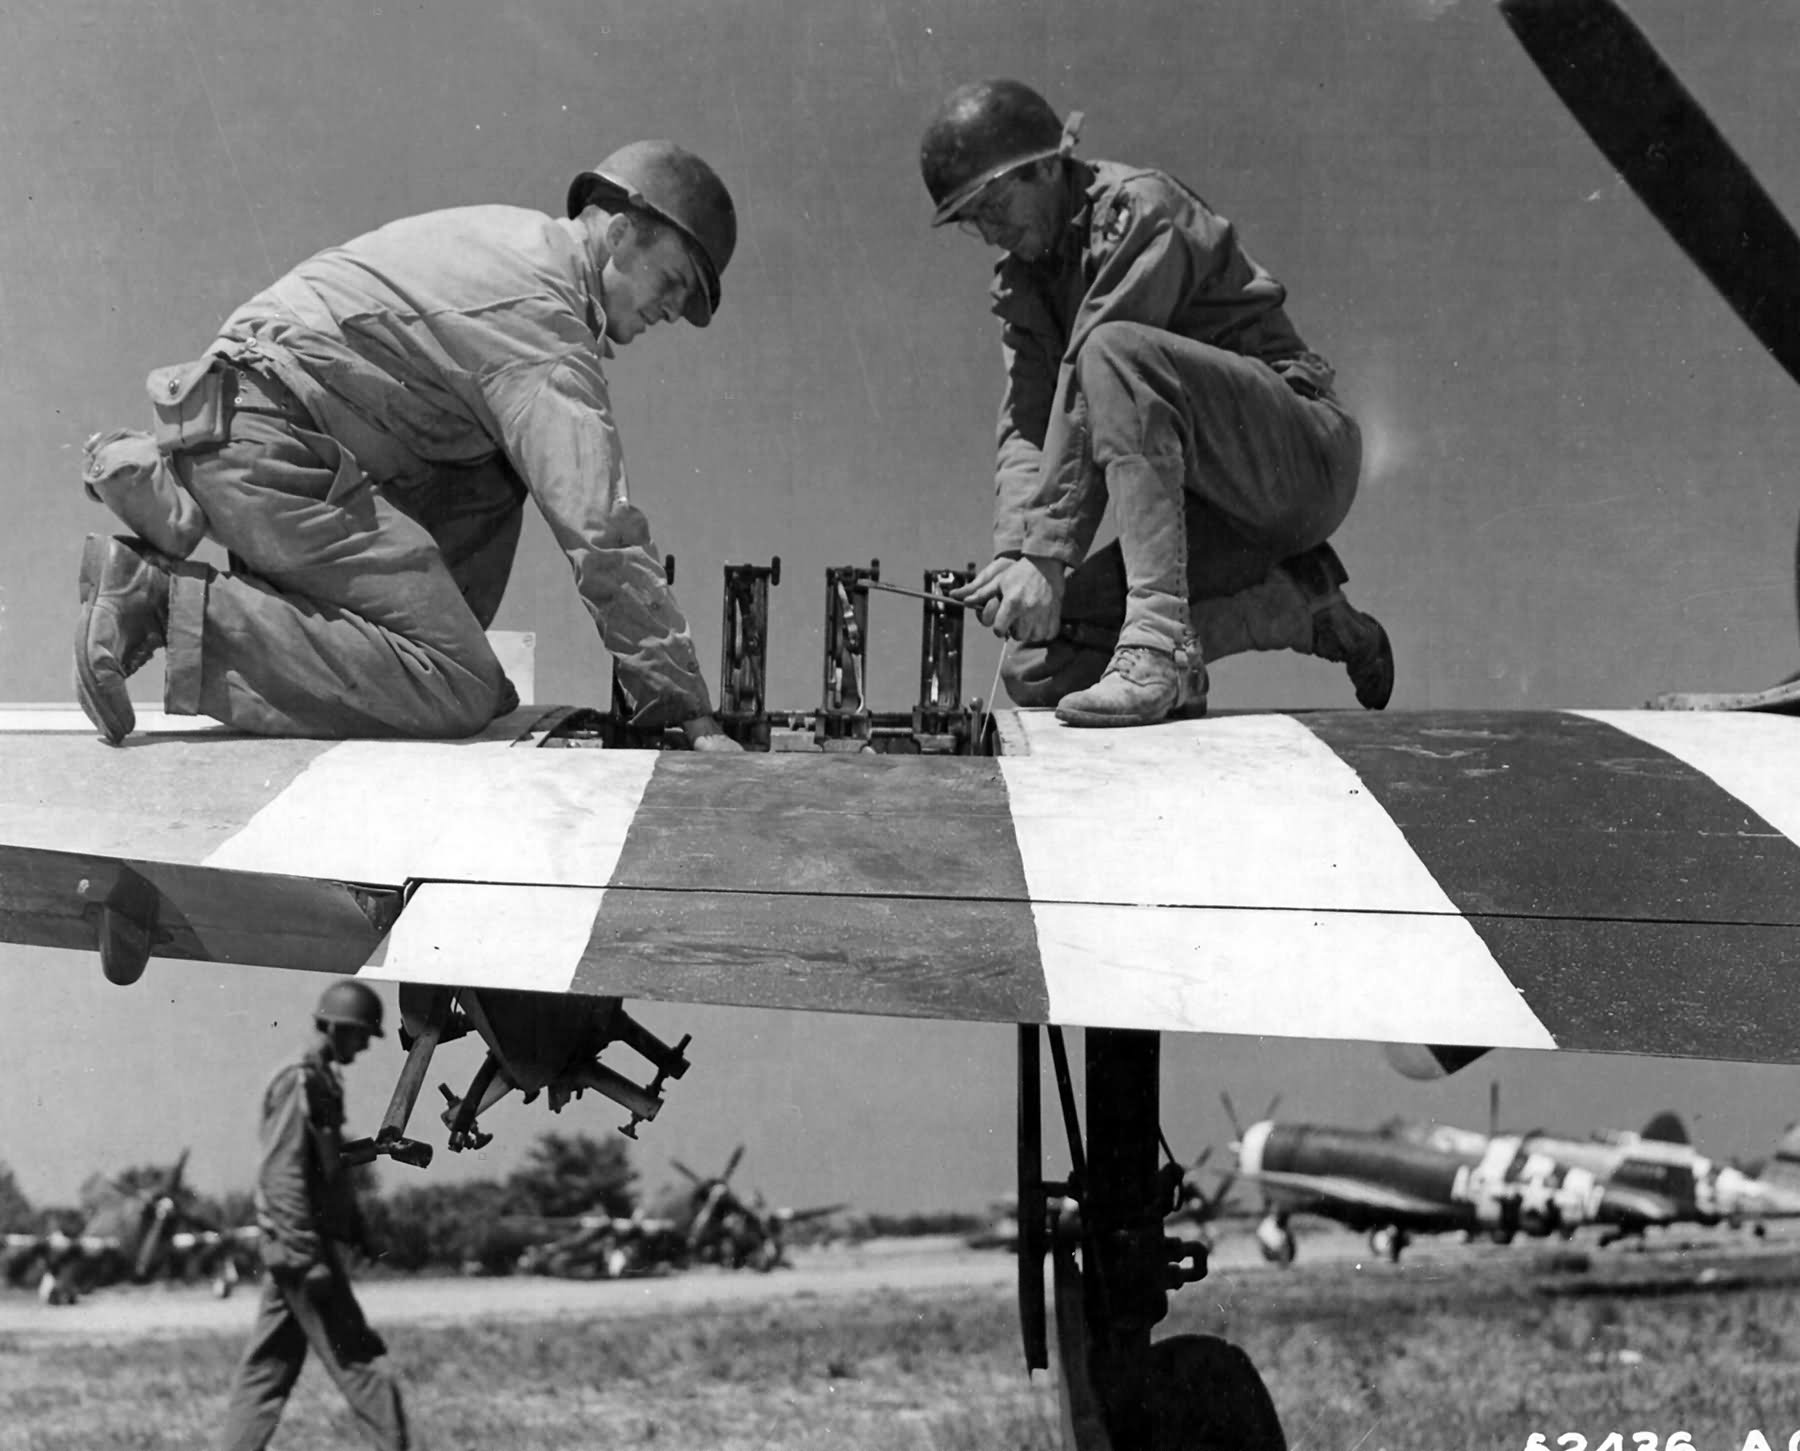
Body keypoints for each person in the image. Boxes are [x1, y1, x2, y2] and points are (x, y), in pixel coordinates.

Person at [74, 141, 743, 752]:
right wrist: (686, 708)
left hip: (252, 430)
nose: (672, 311)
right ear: (620, 234)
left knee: (492, 484)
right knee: (457, 685)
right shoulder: (544, 322)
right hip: (276, 446)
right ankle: (157, 600)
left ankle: (389, 654)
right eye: (673, 282)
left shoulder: (514, 241)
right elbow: (601, 533)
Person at [920, 80, 1395, 726]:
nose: (987, 234)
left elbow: (1100, 375)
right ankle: (1293, 605)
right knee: (1036, 666)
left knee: (1113, 352)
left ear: (1045, 168)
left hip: (1298, 456)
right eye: (971, 221)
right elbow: (1028, 427)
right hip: (1212, 511)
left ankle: (1160, 643)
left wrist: (1046, 555)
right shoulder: (1025, 281)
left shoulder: (1138, 210)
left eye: (993, 206)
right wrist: (1014, 554)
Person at [217, 979, 412, 1451]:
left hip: (298, 1248)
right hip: (303, 1251)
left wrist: (360, 1231)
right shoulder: (300, 1080)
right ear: (341, 1028)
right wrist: (309, 1257)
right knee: (364, 1365)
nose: (366, 1045)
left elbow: (328, 1170)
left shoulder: (321, 1079)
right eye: (364, 1034)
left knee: (266, 1371)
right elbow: (282, 1175)